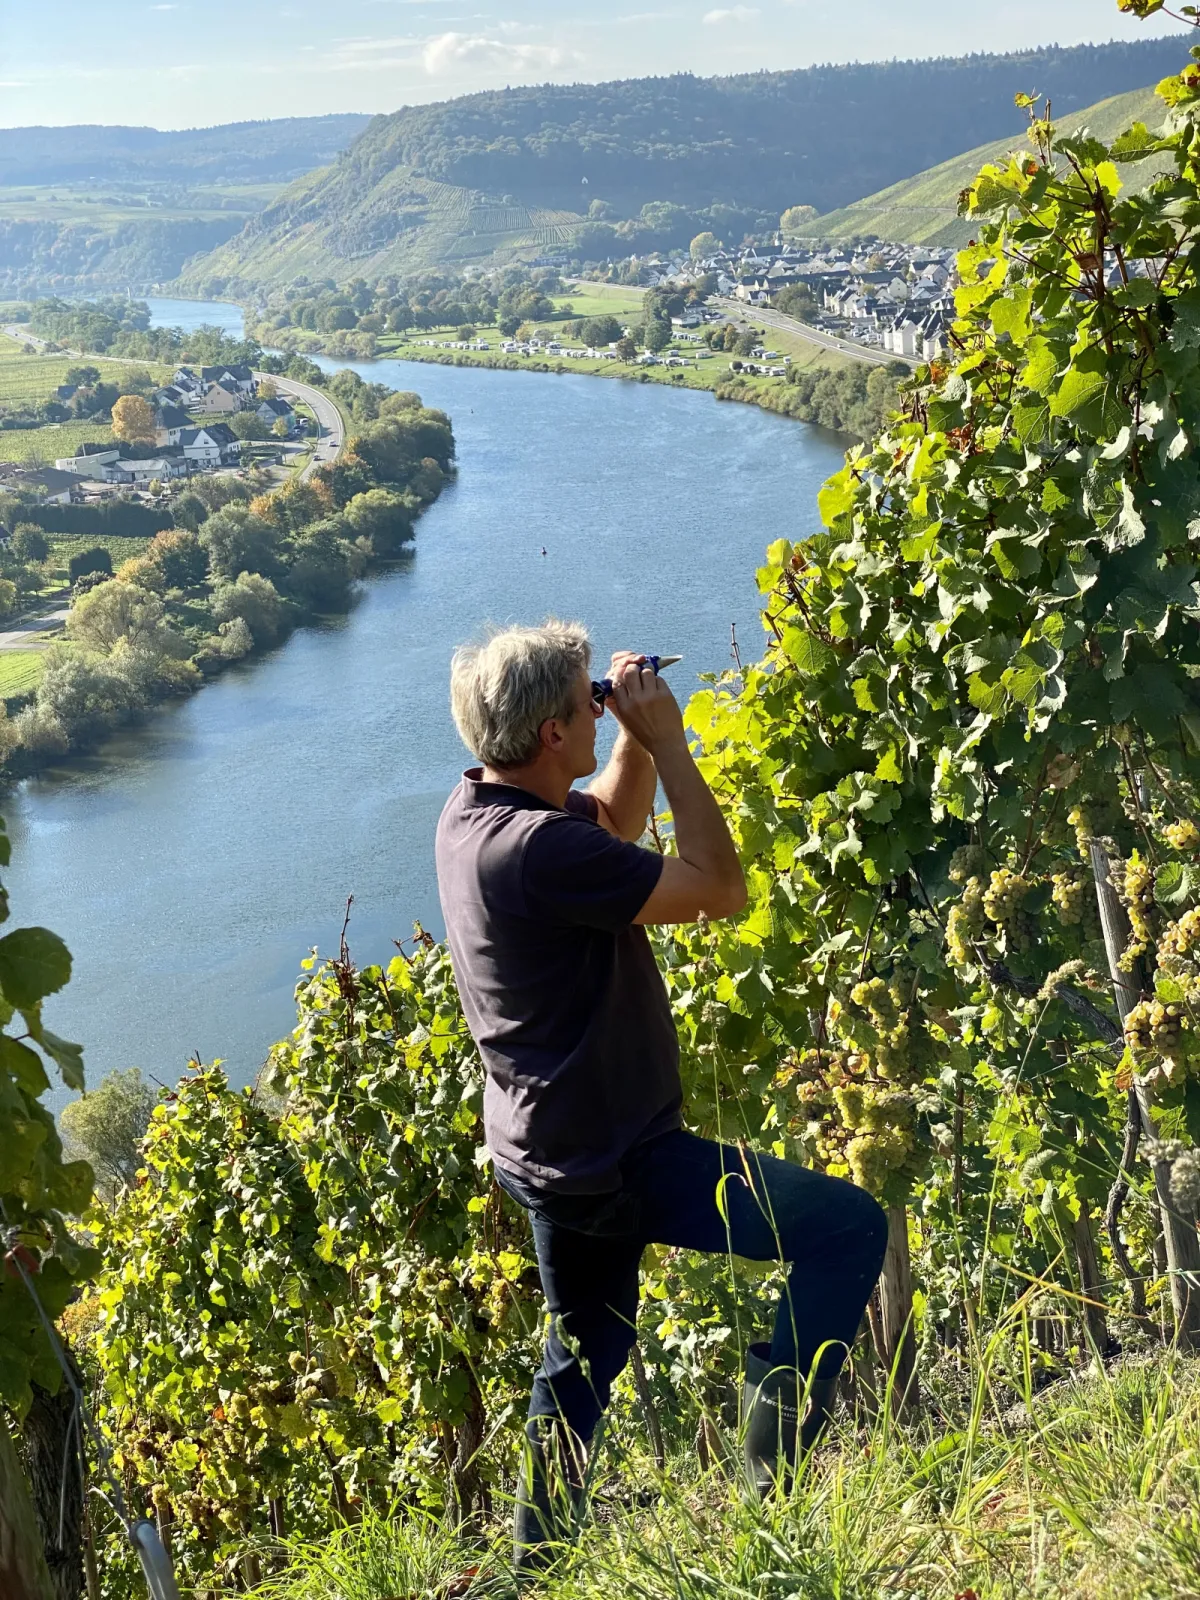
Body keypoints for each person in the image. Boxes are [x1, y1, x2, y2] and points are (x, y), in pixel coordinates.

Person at [435, 621, 887, 1578]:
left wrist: (630, 742)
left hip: (548, 1153)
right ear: (554, 734)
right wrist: (673, 742)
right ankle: (773, 1497)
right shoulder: (542, 853)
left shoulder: (477, 813)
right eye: (585, 699)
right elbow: (720, 888)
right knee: (846, 1230)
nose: (599, 701)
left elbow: (613, 827)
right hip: (617, 1160)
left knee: (583, 1362)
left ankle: (531, 1576)